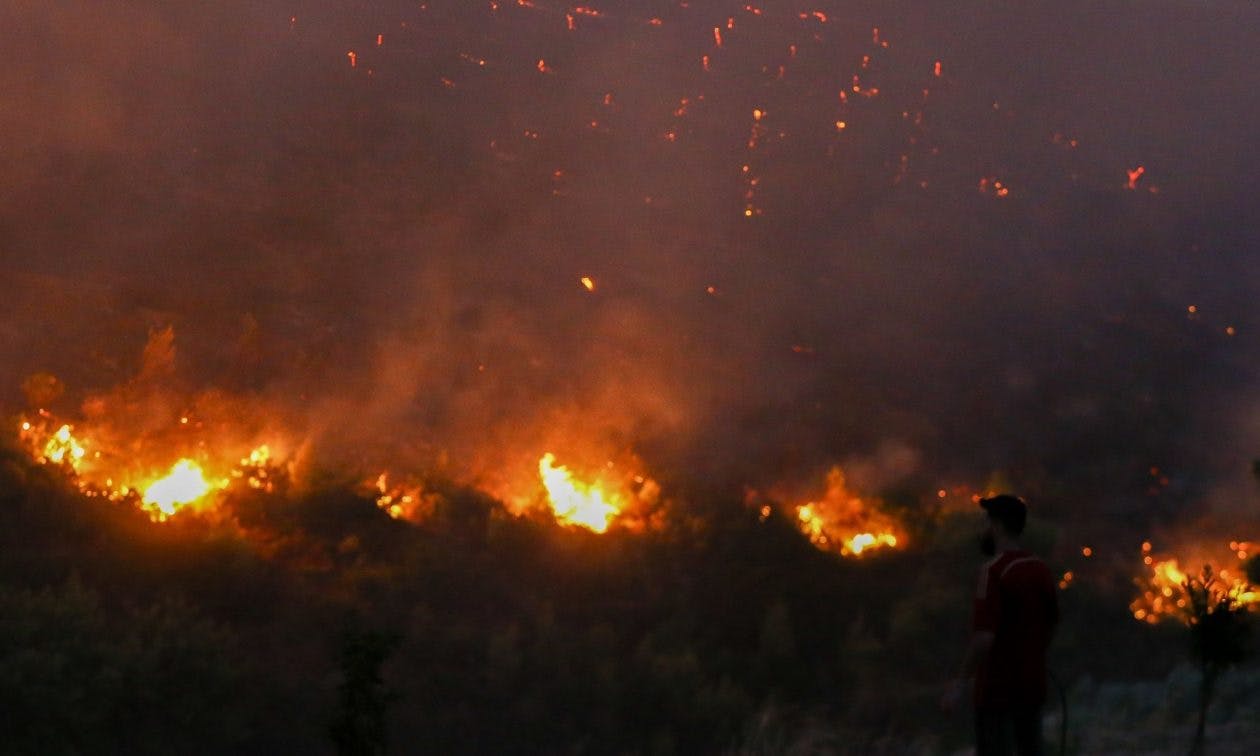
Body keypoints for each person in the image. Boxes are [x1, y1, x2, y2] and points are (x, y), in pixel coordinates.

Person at [941, 494, 1059, 755]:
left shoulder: (993, 571)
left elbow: (984, 637)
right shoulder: (1040, 569)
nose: (984, 529)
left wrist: (959, 684)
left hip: (997, 693)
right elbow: (1050, 626)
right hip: (1033, 689)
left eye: (987, 522)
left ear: (997, 526)